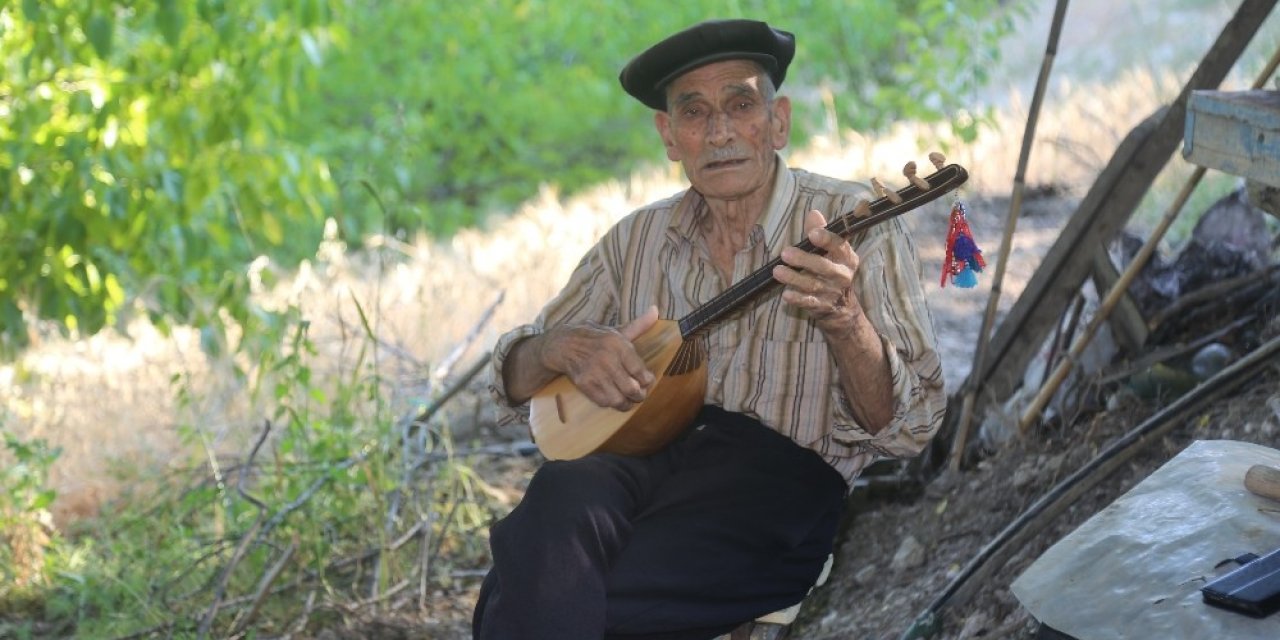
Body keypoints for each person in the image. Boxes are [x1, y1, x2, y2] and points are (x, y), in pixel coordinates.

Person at [472, 18, 944, 640]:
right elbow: (509, 385)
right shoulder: (633, 242)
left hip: (776, 489)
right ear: (669, 136)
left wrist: (846, 321)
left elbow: (909, 428)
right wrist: (555, 346)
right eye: (694, 113)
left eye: (741, 105)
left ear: (778, 121)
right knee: (559, 499)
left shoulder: (856, 224)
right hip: (643, 454)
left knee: (537, 601)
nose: (720, 132)